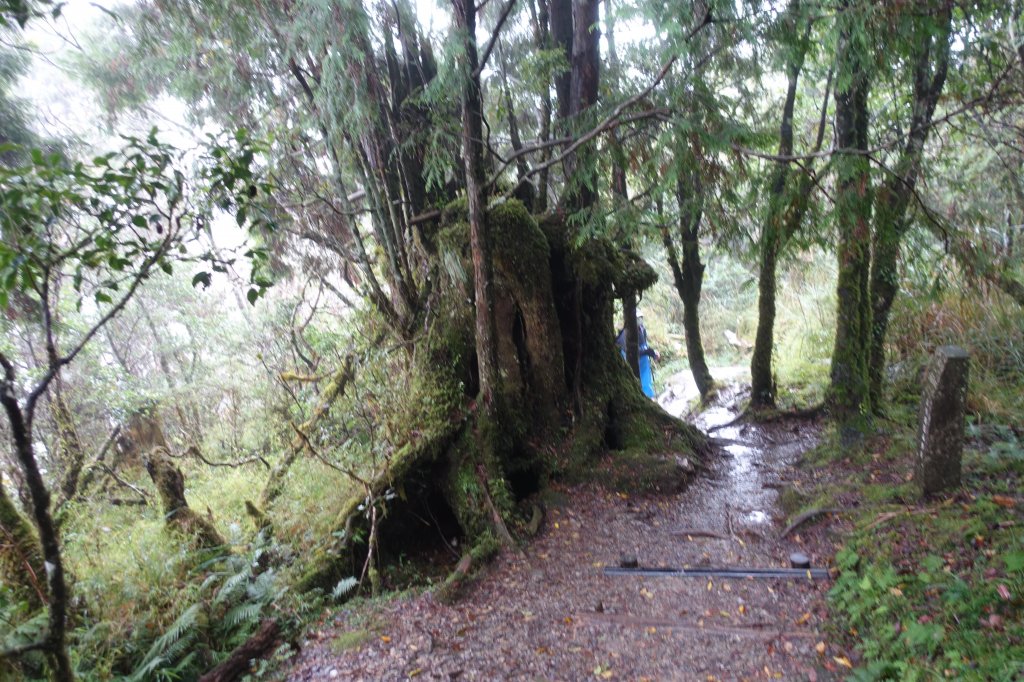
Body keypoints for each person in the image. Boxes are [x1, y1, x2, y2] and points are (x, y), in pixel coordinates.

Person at [615, 311, 660, 398]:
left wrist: (653, 353)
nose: (640, 320)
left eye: (641, 318)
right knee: (633, 380)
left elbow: (644, 345)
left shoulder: (642, 329)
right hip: (632, 360)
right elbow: (630, 350)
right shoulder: (626, 333)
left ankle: (648, 397)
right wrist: (650, 352)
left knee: (645, 380)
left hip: (643, 361)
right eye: (637, 318)